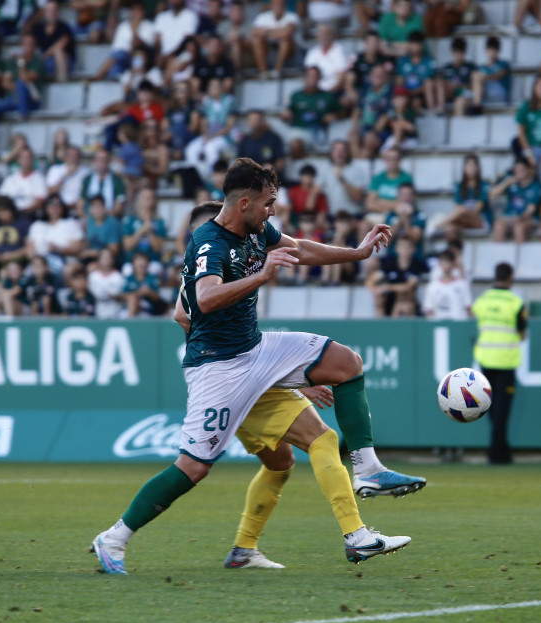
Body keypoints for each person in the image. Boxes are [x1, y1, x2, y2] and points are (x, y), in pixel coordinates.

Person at [91, 159, 423, 574]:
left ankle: (368, 471)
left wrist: (356, 252)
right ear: (244, 202)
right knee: (193, 468)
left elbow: (298, 248)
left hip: (257, 351)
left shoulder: (255, 230)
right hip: (219, 370)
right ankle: (114, 538)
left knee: (346, 363)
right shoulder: (209, 244)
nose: (272, 211)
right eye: (268, 203)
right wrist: (263, 275)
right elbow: (205, 300)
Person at [471, 263, 526, 465]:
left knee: (492, 408)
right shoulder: (516, 302)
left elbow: (475, 317)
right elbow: (523, 333)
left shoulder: (482, 300)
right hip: (506, 360)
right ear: (511, 277)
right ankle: (496, 453)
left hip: (485, 358)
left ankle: (502, 450)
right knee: (502, 409)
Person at [490, 159, 541, 244]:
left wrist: (519, 218)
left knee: (519, 227)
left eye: (521, 169)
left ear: (529, 170)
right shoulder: (512, 183)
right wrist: (506, 183)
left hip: (528, 219)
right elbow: (492, 195)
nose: (518, 172)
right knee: (498, 225)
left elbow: (531, 210)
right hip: (511, 217)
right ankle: (500, 256)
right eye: (516, 170)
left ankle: (521, 256)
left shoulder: (536, 186)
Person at [441, 154, 491, 240]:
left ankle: (437, 225)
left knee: (462, 212)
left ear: (478, 168)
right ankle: (453, 251)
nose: (471, 168)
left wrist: (463, 210)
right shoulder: (459, 186)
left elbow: (476, 210)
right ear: (464, 168)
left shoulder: (483, 185)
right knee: (450, 228)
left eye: (473, 165)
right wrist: (462, 211)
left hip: (480, 221)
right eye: (468, 165)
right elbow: (457, 208)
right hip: (463, 219)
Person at [250, 0, 299, 79]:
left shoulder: (292, 16)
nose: (278, 6)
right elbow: (255, 32)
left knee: (285, 41)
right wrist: (278, 31)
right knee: (256, 41)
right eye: (276, 4)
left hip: (289, 49)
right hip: (267, 47)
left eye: (280, 4)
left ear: (284, 5)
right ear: (271, 5)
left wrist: (266, 32)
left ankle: (277, 70)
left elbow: (287, 33)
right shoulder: (263, 16)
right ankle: (263, 72)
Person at [423, 250, 471, 320]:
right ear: (440, 264)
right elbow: (429, 310)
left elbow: (468, 306)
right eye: (444, 262)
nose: (447, 265)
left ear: (453, 264)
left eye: (449, 262)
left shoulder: (462, 285)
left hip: (458, 325)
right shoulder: (432, 286)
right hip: (438, 325)